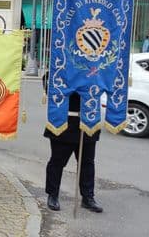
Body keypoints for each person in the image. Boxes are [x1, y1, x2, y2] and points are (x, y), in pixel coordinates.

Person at [43, 74, 103, 213]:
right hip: (64, 122)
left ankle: (88, 197)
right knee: (57, 161)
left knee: (87, 163)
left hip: (88, 122)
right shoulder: (60, 68)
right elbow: (49, 84)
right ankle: (53, 194)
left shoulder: (94, 70)